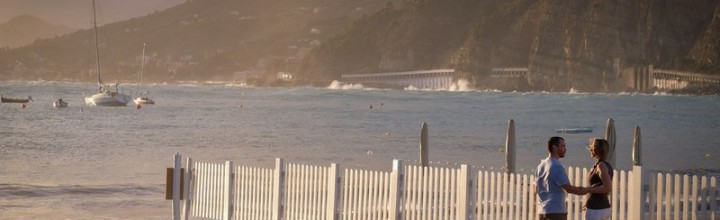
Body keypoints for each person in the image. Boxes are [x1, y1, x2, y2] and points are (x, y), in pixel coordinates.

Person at [535, 136, 589, 220]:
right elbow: (569, 189)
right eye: (563, 146)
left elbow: (536, 189)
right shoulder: (557, 166)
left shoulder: (540, 166)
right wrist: (590, 190)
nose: (565, 149)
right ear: (554, 147)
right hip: (555, 211)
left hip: (542, 211)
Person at [584, 138, 613, 220]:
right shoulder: (604, 165)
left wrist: (589, 189)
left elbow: (607, 188)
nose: (590, 149)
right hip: (599, 208)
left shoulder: (601, 166)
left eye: (592, 147)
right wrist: (587, 202)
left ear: (597, 150)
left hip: (597, 209)